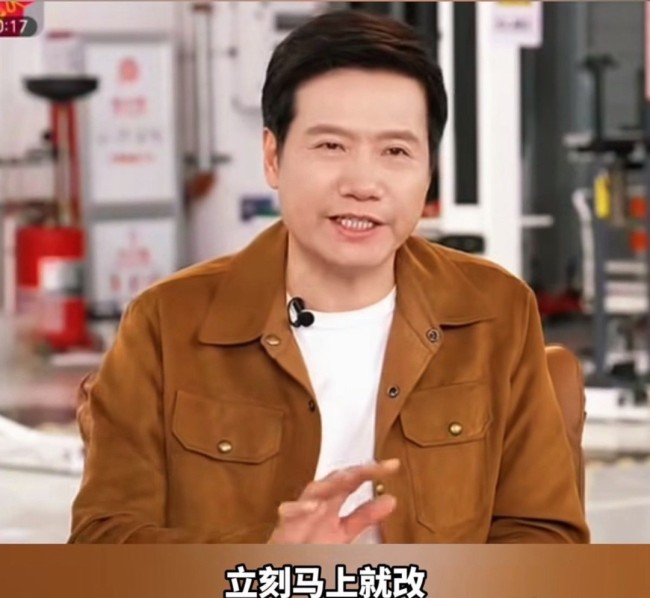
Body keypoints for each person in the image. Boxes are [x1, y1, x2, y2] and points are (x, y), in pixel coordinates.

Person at [69, 9, 590, 544]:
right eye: (331, 146)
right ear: (273, 157)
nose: (363, 183)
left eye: (395, 151)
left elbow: (545, 539)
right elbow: (102, 543)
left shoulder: (496, 311)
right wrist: (264, 561)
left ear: (428, 170)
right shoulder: (167, 322)